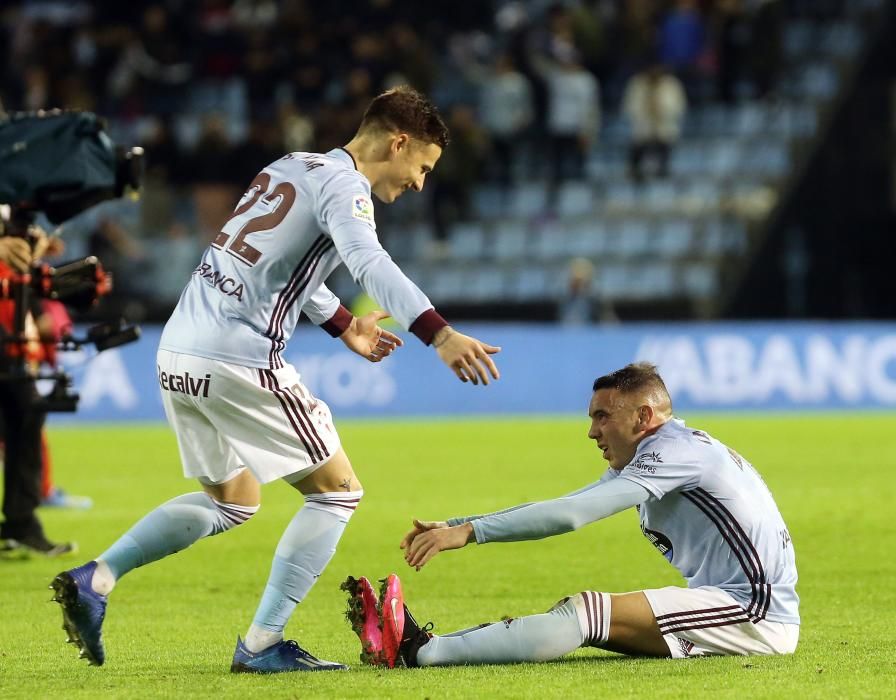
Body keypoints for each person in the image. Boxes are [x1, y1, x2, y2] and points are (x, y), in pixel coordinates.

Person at [51, 86, 501, 673]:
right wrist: (439, 333)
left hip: (179, 350)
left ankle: (97, 577)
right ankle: (262, 644)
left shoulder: (291, 168)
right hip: (238, 357)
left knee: (233, 501)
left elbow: (283, 265)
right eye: (422, 167)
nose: (419, 183)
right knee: (338, 491)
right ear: (397, 142)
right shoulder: (347, 187)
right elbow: (370, 262)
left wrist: (343, 324)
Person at [345, 362, 799, 667]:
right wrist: (460, 522)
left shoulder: (675, 453)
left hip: (754, 611)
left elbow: (571, 516)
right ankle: (419, 649)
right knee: (590, 618)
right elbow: (563, 505)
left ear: (643, 416)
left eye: (603, 417)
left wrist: (469, 533)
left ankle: (421, 652)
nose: (591, 431)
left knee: (586, 612)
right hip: (726, 602)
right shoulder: (660, 453)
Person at [0, 224, 76, 557]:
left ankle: (20, 523)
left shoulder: (13, 205)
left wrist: (34, 249)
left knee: (27, 411)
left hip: (10, 327)